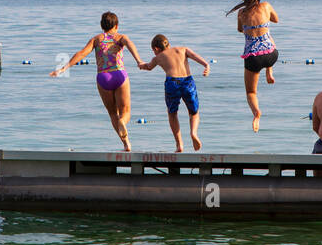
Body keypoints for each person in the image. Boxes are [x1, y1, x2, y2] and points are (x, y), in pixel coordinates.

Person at [49, 12, 147, 150]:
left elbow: (82, 53)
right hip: (119, 74)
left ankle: (126, 143)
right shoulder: (121, 37)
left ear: (102, 26)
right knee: (125, 111)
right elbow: (130, 44)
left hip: (103, 77)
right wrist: (139, 60)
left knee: (113, 113)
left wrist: (64, 68)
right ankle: (123, 122)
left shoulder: (96, 39)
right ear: (117, 26)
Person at [138, 34, 210, 152]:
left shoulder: (158, 57)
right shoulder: (182, 49)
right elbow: (195, 56)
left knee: (172, 114)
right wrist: (206, 65)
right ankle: (193, 133)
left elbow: (149, 67)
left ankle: (179, 144)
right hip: (187, 82)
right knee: (194, 113)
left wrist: (142, 65)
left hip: (172, 83)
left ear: (156, 49)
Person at [227, 0, 279, 131]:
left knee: (251, 92)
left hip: (253, 58)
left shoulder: (241, 13)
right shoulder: (266, 6)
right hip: (271, 56)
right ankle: (269, 71)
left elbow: (239, 29)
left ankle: (256, 113)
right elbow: (276, 20)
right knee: (268, 37)